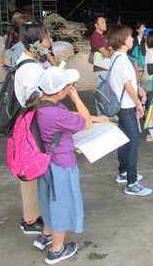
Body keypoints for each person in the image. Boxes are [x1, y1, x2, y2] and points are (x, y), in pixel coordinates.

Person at [26, 66, 108, 264]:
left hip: (45, 163)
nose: (71, 88)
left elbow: (74, 116)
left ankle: (45, 235)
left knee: (47, 199)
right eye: (68, 86)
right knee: (60, 204)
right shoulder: (55, 114)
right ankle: (56, 250)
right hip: (61, 164)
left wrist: (96, 118)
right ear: (61, 91)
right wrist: (77, 98)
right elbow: (85, 123)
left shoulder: (42, 104)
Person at [14, 22, 54, 234]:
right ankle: (30, 220)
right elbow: (33, 97)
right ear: (39, 40)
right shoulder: (29, 66)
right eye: (47, 36)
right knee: (30, 169)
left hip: (30, 121)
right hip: (31, 123)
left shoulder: (30, 60)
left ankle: (34, 214)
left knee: (33, 167)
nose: (49, 39)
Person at [108, 25, 152, 196]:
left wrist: (139, 89)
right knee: (134, 143)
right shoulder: (123, 60)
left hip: (121, 106)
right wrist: (139, 104)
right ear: (122, 40)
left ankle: (123, 172)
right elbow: (127, 86)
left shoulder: (116, 57)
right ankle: (132, 183)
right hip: (126, 107)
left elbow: (127, 83)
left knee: (124, 140)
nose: (132, 39)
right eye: (129, 36)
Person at [90, 16, 112, 115]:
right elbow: (106, 54)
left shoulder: (104, 37)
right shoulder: (95, 37)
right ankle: (101, 114)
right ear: (96, 25)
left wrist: (110, 51)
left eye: (105, 22)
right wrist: (111, 52)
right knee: (102, 92)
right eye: (102, 22)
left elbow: (110, 50)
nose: (105, 24)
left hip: (107, 67)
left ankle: (108, 113)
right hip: (100, 69)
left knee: (108, 92)